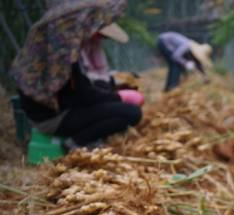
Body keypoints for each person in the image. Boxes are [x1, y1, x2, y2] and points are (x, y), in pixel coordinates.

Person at [17, 22, 141, 150]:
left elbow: (81, 90)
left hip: (50, 114)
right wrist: (119, 97)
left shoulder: (46, 53)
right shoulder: (62, 58)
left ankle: (82, 139)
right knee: (132, 113)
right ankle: (76, 142)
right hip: (55, 119)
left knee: (113, 105)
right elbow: (86, 96)